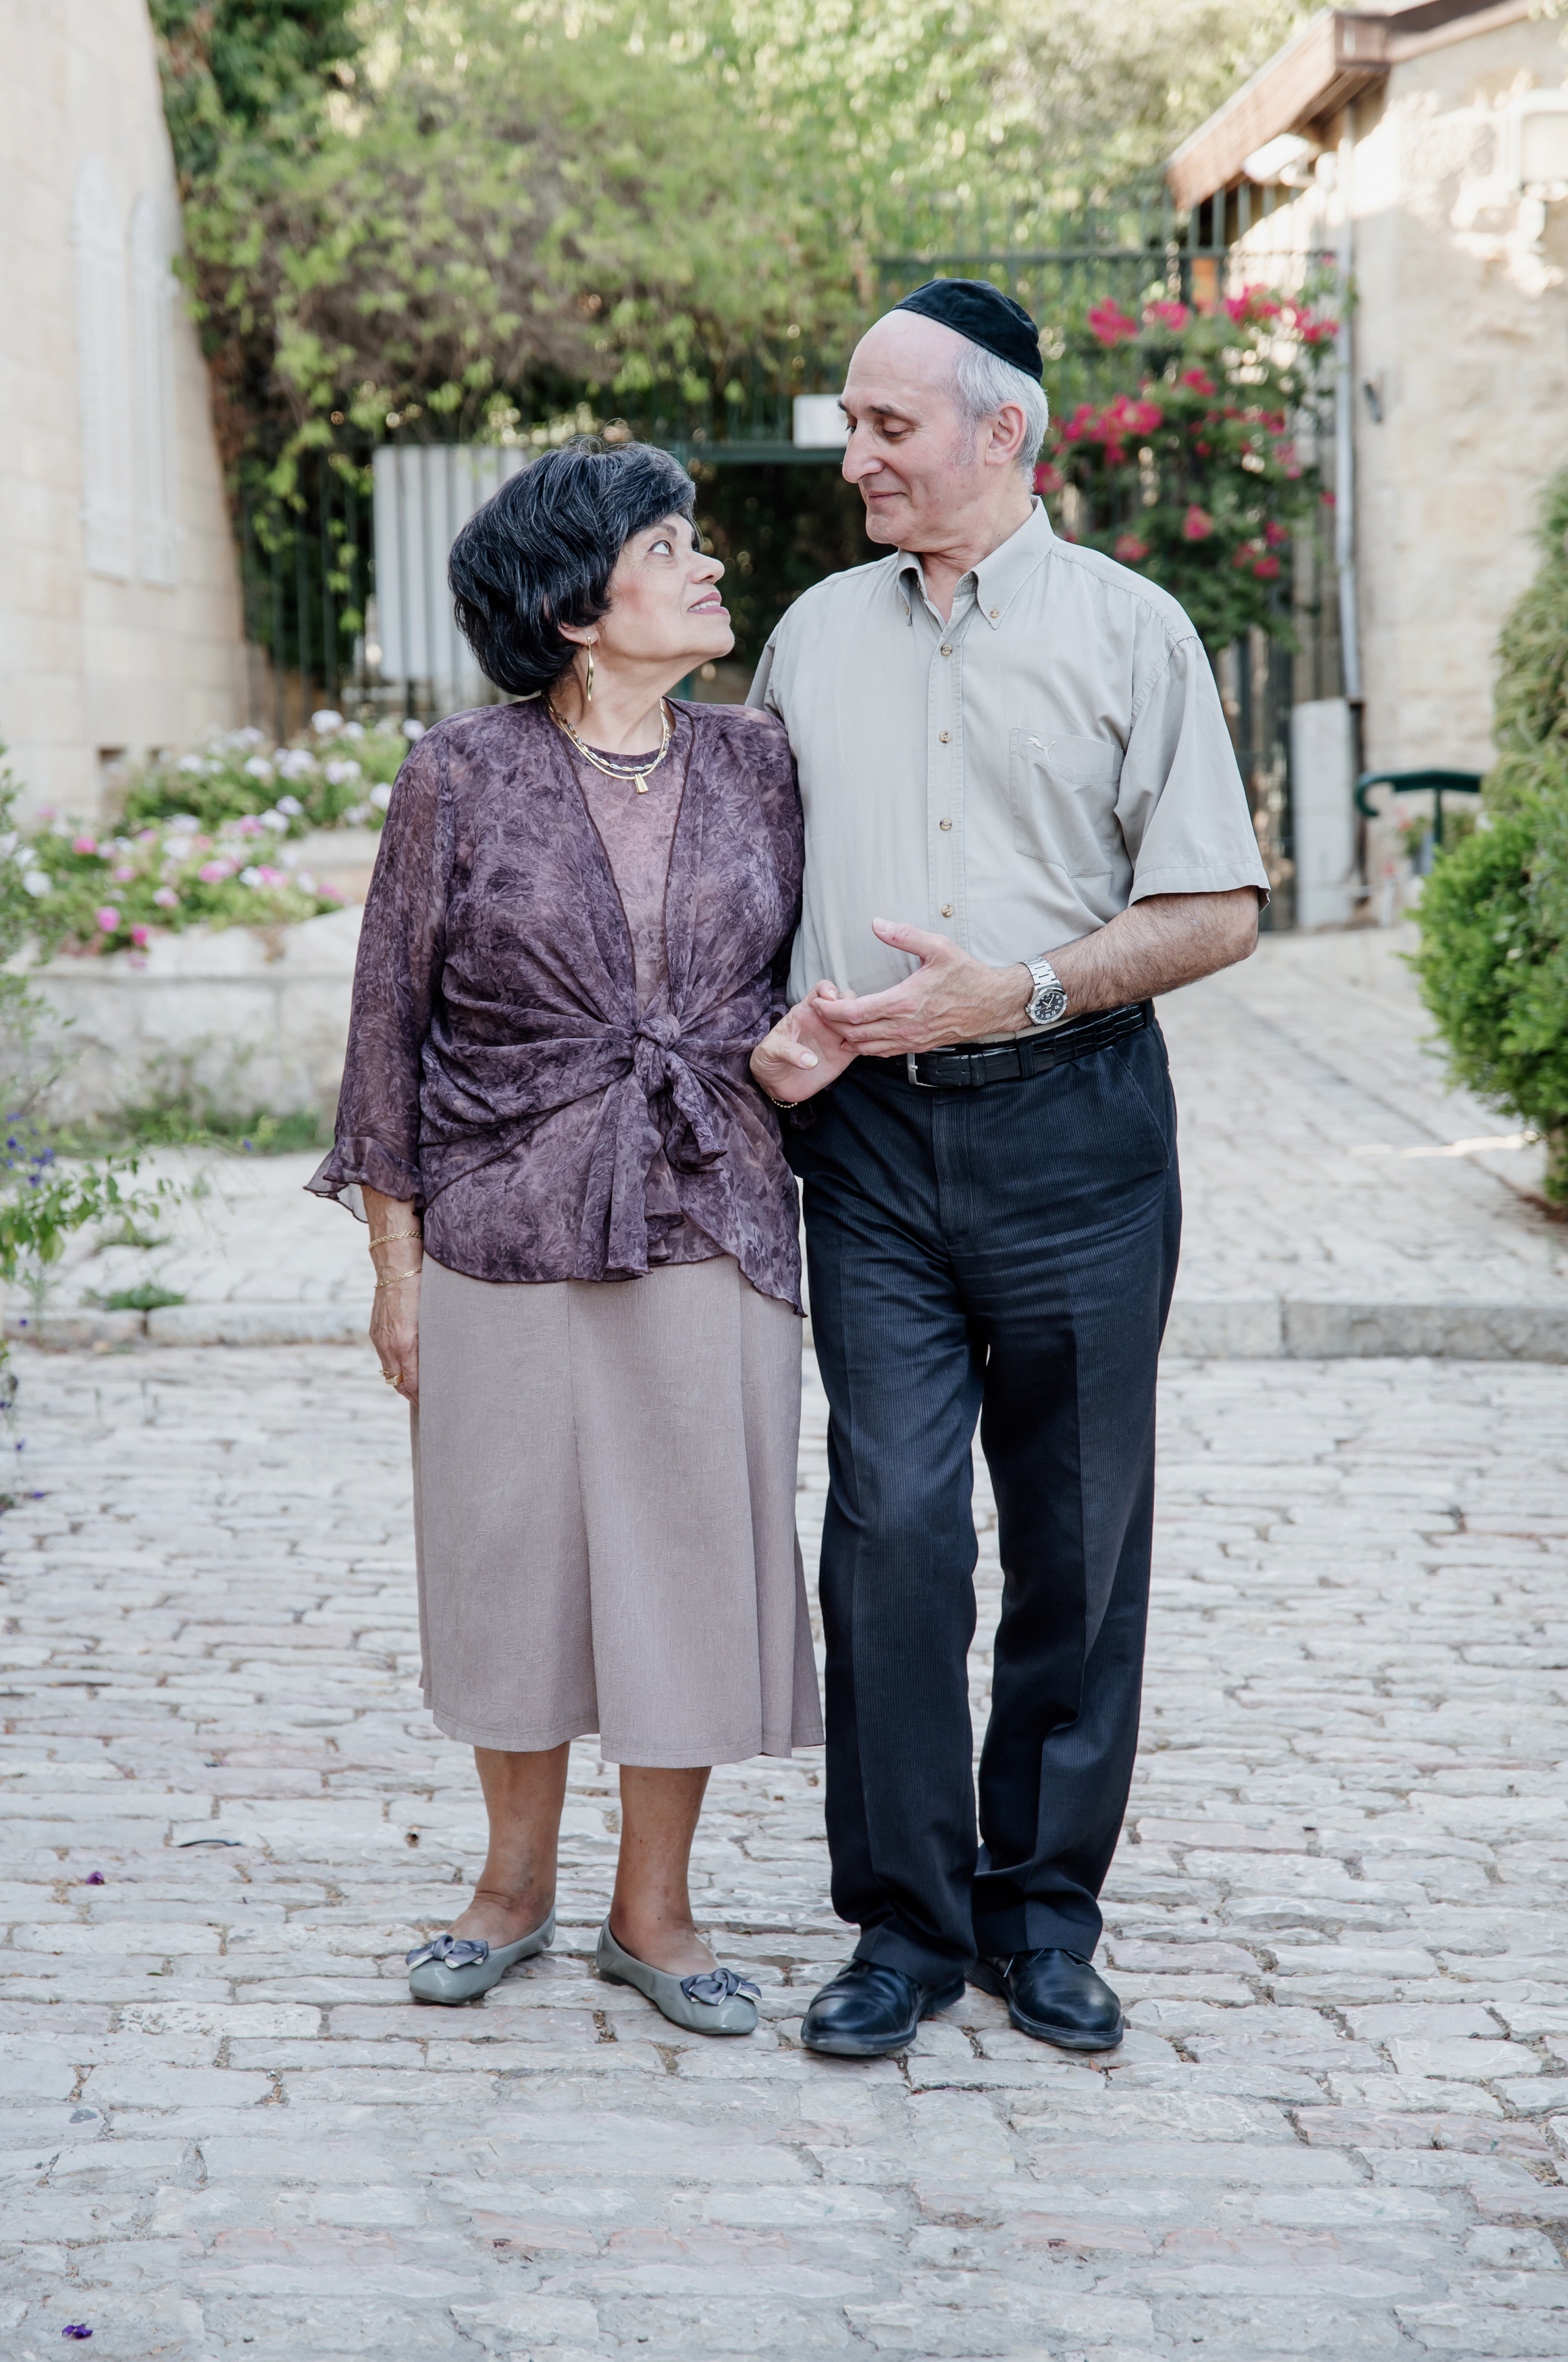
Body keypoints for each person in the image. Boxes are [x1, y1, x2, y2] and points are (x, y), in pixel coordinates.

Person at [748, 278, 1269, 2061]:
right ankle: (905, 1917)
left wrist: (1026, 985)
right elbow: (745, 888)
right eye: (855, 421)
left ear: (1004, 437)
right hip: (874, 1140)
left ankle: (1045, 1914)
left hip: (1079, 1132)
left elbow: (1215, 908)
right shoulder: (810, 635)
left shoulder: (1138, 634)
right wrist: (780, 1035)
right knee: (890, 1520)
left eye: (889, 425)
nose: (858, 454)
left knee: (1077, 1532)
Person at [307, 438, 822, 2040]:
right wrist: (393, 1273)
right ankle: (509, 1886)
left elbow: (803, 977)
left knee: (684, 1551)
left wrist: (806, 1048)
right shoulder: (456, 772)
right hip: (497, 1222)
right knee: (506, 1554)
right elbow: (385, 1025)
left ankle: (651, 1909)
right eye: (668, 546)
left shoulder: (759, 763)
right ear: (576, 607)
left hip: (705, 1206)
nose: (707, 564)